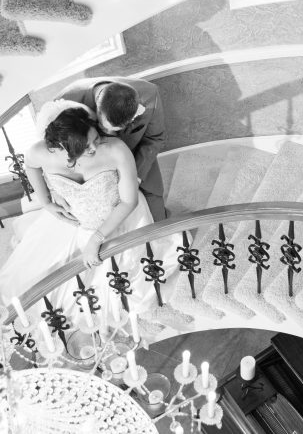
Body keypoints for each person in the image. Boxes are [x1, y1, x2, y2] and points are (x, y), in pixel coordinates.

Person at [0, 101, 182, 329]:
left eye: (96, 138)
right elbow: (30, 165)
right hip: (75, 222)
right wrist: (47, 201)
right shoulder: (42, 153)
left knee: (131, 279)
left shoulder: (114, 149)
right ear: (61, 148)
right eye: (86, 147)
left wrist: (96, 238)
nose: (95, 148)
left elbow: (129, 201)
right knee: (44, 287)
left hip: (120, 217)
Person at [57, 77, 168, 221]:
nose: (109, 134)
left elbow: (155, 138)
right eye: (103, 128)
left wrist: (136, 176)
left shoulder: (150, 95)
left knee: (158, 220)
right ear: (97, 109)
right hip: (97, 177)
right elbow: (52, 147)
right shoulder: (66, 102)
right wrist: (54, 190)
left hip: (139, 160)